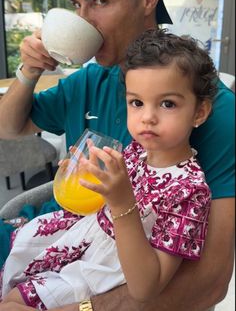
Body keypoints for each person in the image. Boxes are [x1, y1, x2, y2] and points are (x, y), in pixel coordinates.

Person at [0, 0, 234, 311]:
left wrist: (78, 309)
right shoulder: (90, 80)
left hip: (97, 279)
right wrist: (28, 70)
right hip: (56, 234)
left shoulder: (216, 113)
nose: (85, 21)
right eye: (77, 5)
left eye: (100, 2)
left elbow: (210, 285)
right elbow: (9, 128)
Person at [1, 30, 216, 309]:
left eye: (167, 104)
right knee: (12, 294)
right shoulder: (139, 151)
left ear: (199, 112)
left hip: (104, 275)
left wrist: (121, 201)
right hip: (81, 244)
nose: (147, 117)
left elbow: (145, 288)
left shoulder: (190, 192)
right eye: (136, 102)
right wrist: (87, 177)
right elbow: (101, 200)